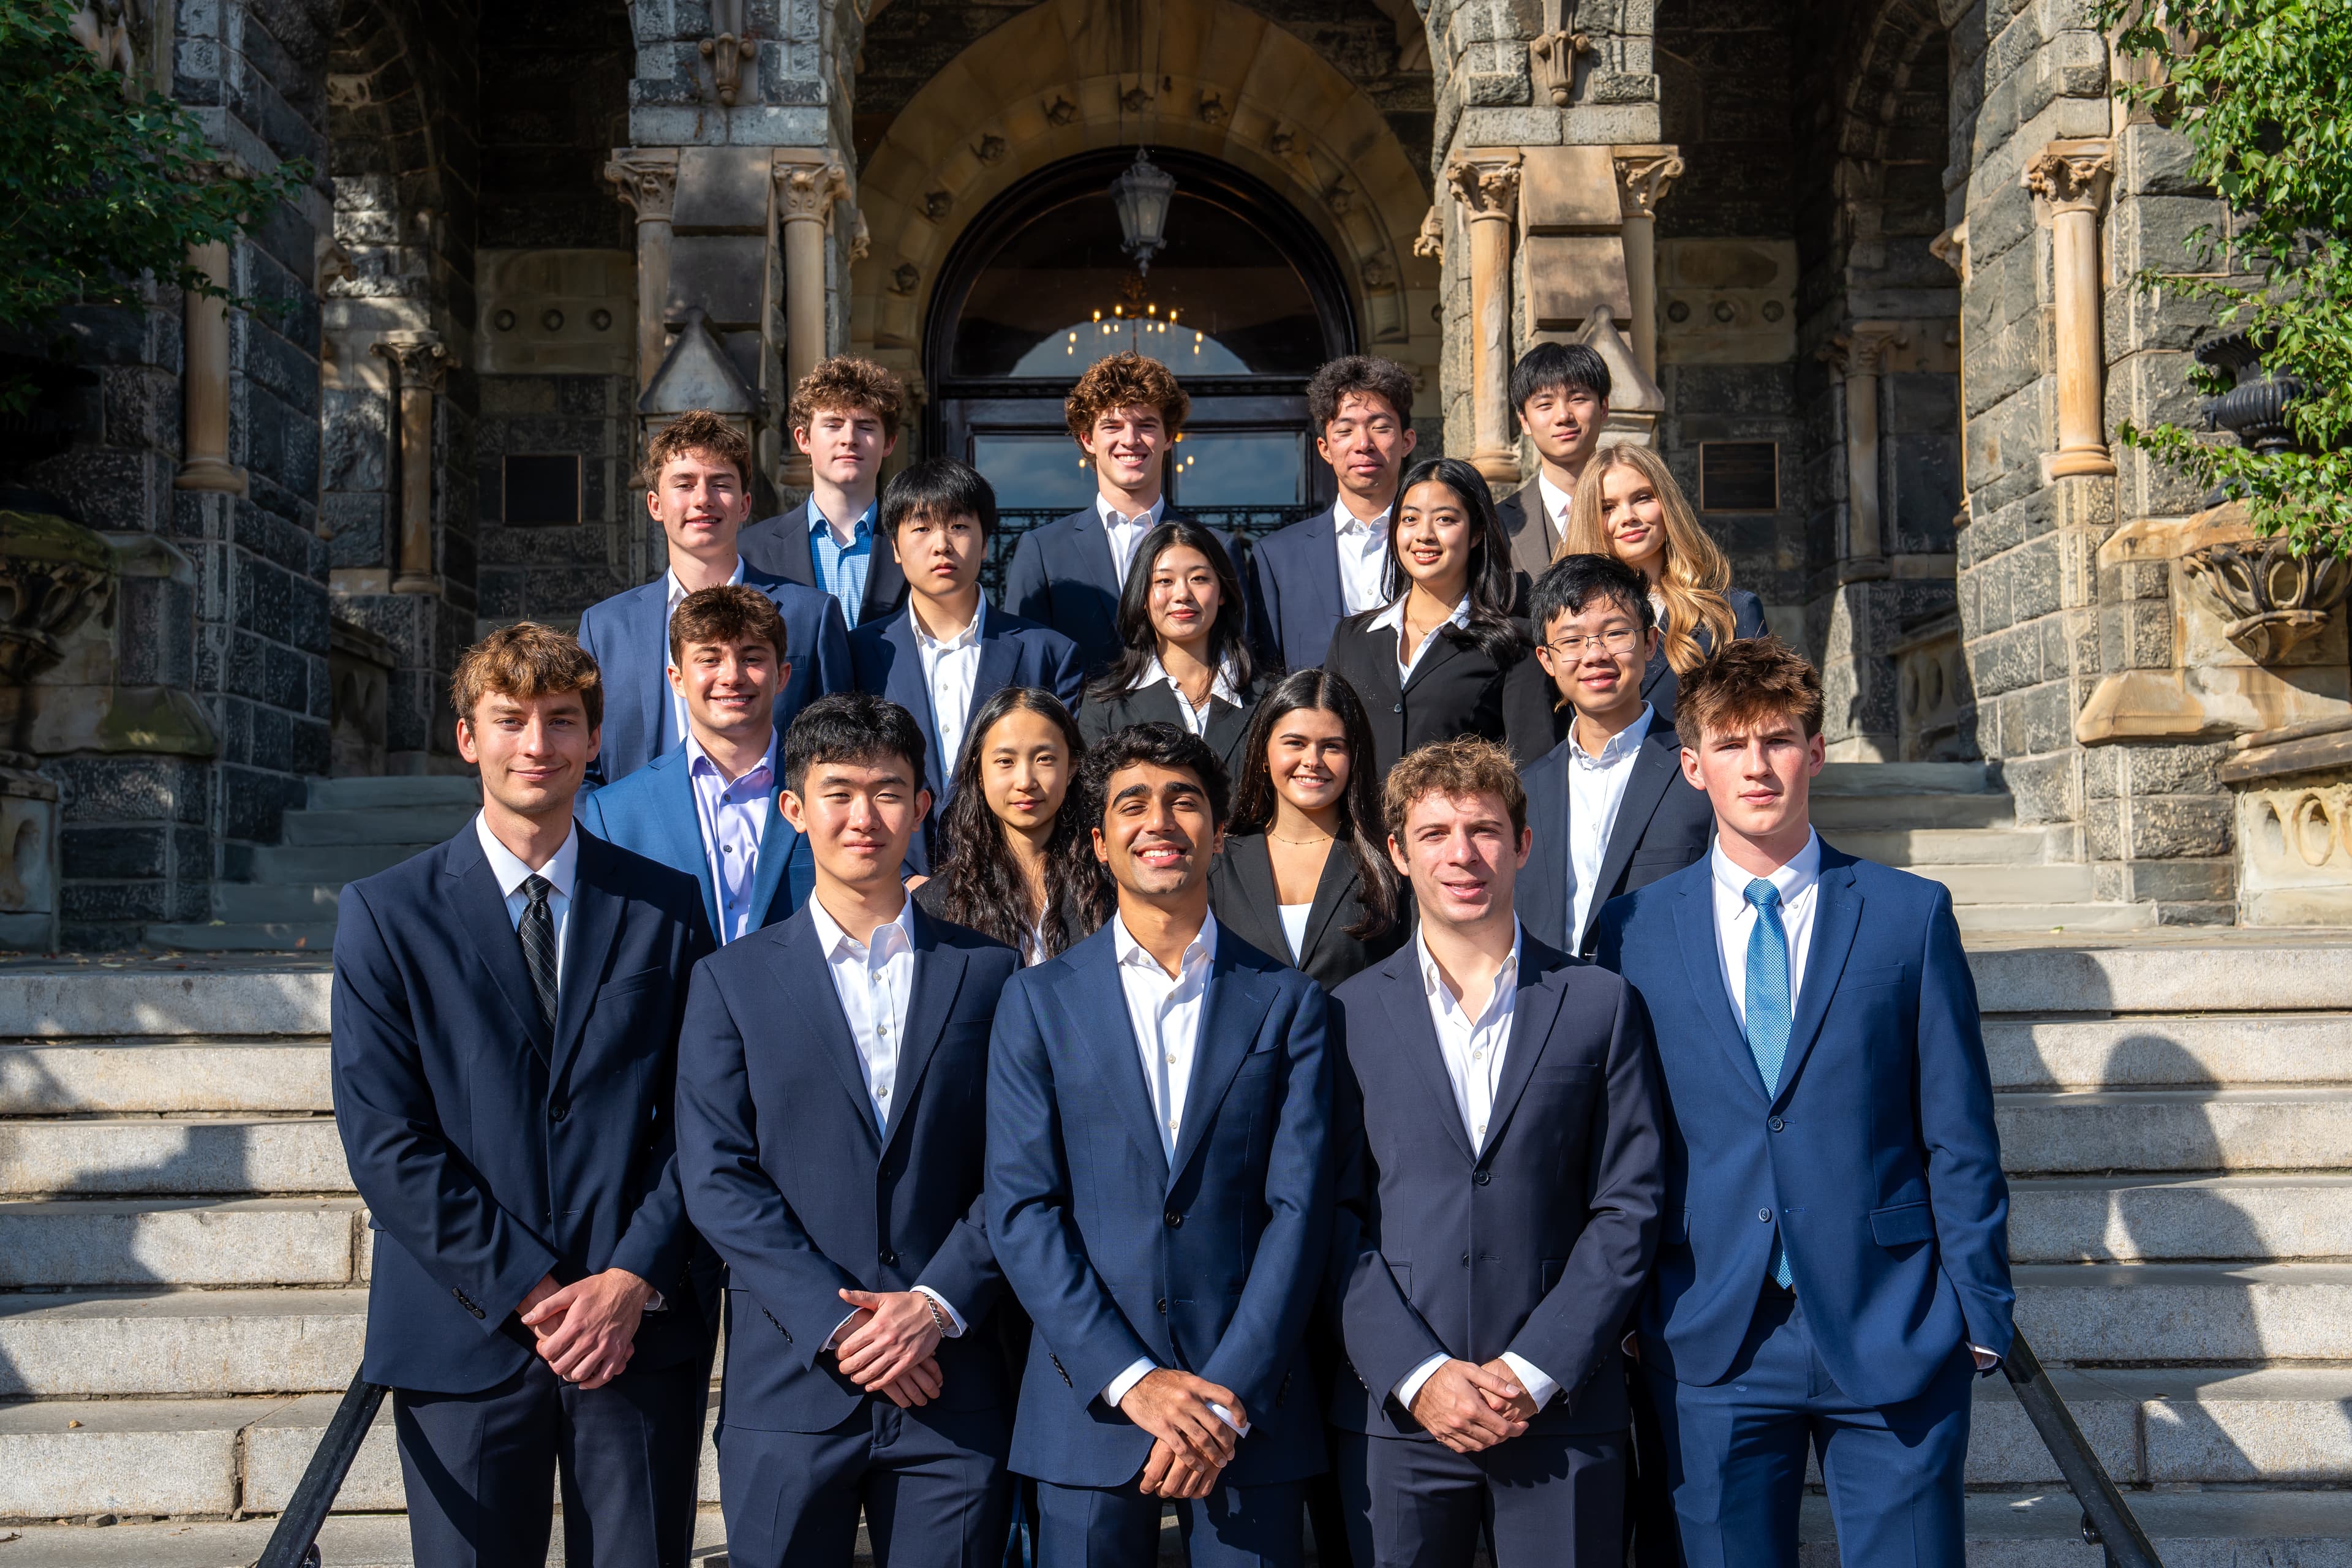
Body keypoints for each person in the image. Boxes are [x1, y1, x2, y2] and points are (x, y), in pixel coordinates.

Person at [1594, 639, 2013, 1568]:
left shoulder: (1910, 913)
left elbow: (1958, 1128)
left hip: (1892, 1318)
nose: (1758, 766)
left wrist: (1979, 1307)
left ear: (1815, 754)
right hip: (1709, 1328)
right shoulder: (1631, 933)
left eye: (1779, 742)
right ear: (1692, 764)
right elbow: (1621, 1138)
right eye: (1733, 746)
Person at [331, 624, 716, 1568]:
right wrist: (535, 1291)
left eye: (561, 721)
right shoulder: (386, 914)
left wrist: (628, 1279)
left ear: (595, 740)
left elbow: (703, 1121)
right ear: (468, 739)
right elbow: (388, 1141)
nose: (536, 745)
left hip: (633, 1335)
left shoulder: (666, 907)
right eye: (510, 721)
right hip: (464, 1330)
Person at [676, 692, 1023, 1568]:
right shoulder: (731, 981)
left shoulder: (991, 975)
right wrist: (846, 1329)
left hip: (953, 1384)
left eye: (888, 791)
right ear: (793, 809)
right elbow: (718, 1175)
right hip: (791, 1387)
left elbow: (1020, 1165)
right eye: (838, 791)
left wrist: (935, 1306)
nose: (863, 816)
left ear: (923, 808)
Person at [986, 723, 1332, 1568]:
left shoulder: (1289, 1004)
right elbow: (1024, 1209)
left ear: (1218, 833)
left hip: (1248, 1409)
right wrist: (1133, 1379)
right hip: (1089, 1407)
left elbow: (1301, 1209)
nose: (1160, 821)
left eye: (1185, 801)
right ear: (1099, 842)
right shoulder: (1036, 1002)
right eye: (1132, 804)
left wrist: (1227, 1395)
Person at [1325, 736, 1663, 1568]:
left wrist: (1535, 1367)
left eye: (1482, 829)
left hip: (1561, 1410)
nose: (1462, 854)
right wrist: (1418, 1372)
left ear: (1523, 844)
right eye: (1435, 834)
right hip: (1399, 1417)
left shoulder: (1600, 1004)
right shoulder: (1345, 1015)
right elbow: (1328, 1215)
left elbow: (1631, 1203)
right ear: (1399, 853)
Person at [578, 409, 850, 790]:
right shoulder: (605, 628)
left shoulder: (811, 615)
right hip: (636, 846)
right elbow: (582, 766)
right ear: (655, 505)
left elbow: (841, 748)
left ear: (744, 504)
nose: (703, 499)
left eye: (720, 483)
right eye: (684, 484)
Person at [850, 456, 1085, 873]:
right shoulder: (859, 652)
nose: (941, 544)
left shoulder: (1047, 654)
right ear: (896, 549)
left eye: (958, 526)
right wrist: (900, 879)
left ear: (986, 542)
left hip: (1015, 885)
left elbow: (1070, 781)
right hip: (893, 890)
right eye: (921, 528)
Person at [579, 584, 810, 941]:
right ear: (677, 679)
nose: (732, 676)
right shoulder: (615, 814)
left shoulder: (829, 793)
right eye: (709, 659)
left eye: (751, 658)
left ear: (782, 676)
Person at [1518, 554, 1714, 959]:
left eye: (1614, 634)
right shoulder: (1525, 791)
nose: (1595, 655)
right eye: (1571, 641)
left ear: (1650, 643)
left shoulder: (1701, 772)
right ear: (1546, 661)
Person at [1002, 351, 1245, 674]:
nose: (1130, 440)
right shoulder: (1042, 551)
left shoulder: (1218, 548)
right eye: (1112, 426)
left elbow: (1238, 661)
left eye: (1146, 425)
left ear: (1169, 437)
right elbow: (1026, 668)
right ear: (1088, 439)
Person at [1322, 456, 1556, 782]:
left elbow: (1531, 772)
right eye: (1410, 519)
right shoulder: (1351, 638)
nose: (1424, 535)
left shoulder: (1516, 645)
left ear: (1476, 534)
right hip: (1362, 832)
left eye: (1445, 519)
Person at [1209, 667, 1405, 990]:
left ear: (1354, 758)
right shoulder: (1218, 859)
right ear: (1264, 755)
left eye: (1332, 746)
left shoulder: (1389, 860)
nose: (1313, 760)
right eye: (1295, 743)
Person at [1561, 444, 1766, 725]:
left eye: (1643, 498)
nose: (1628, 517)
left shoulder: (1733, 612)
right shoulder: (1566, 622)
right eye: (1608, 507)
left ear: (1667, 504)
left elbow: (1762, 722)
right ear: (1590, 520)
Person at [1245, 356, 1418, 672]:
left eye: (1380, 428)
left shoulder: (1439, 542)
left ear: (1407, 441)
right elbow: (1266, 673)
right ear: (1325, 448)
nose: (1363, 444)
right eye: (1345, 430)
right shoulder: (1277, 557)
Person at [914, 685, 1109, 963]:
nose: (1025, 782)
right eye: (1005, 761)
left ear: (1072, 768)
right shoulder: (937, 902)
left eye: (1045, 759)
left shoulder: (1111, 885)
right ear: (979, 773)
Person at [1079, 519, 1262, 782]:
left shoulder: (1266, 697)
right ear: (1142, 596)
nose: (1182, 594)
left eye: (1199, 578)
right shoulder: (1105, 705)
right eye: (1164, 581)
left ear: (1223, 591)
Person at [737, 355, 911, 628]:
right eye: (833, 425)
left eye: (866, 426)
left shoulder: (917, 544)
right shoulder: (750, 551)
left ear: (889, 443)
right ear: (803, 439)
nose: (849, 439)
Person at [1494, 342, 1611, 586]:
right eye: (1545, 405)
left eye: (1578, 399)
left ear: (1603, 408)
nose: (1563, 416)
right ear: (1525, 421)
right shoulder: (1497, 524)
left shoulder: (1644, 512)